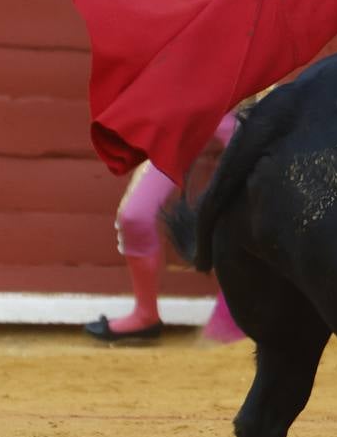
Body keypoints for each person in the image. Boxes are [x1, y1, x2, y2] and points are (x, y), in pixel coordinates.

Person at [84, 113, 245, 343]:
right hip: (182, 115)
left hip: (241, 111)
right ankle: (145, 314)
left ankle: (240, 308)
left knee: (250, 208)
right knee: (135, 216)